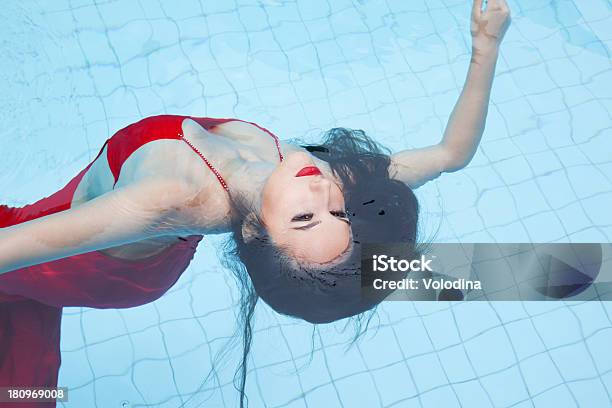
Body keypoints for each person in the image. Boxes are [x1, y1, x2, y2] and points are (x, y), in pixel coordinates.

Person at [0, 0, 510, 406]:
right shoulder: (321, 177)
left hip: (93, 267)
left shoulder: (170, 196)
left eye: (305, 218)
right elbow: (450, 155)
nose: (319, 192)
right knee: (28, 380)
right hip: (126, 257)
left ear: (254, 232)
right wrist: (485, 47)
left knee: (20, 323)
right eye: (339, 212)